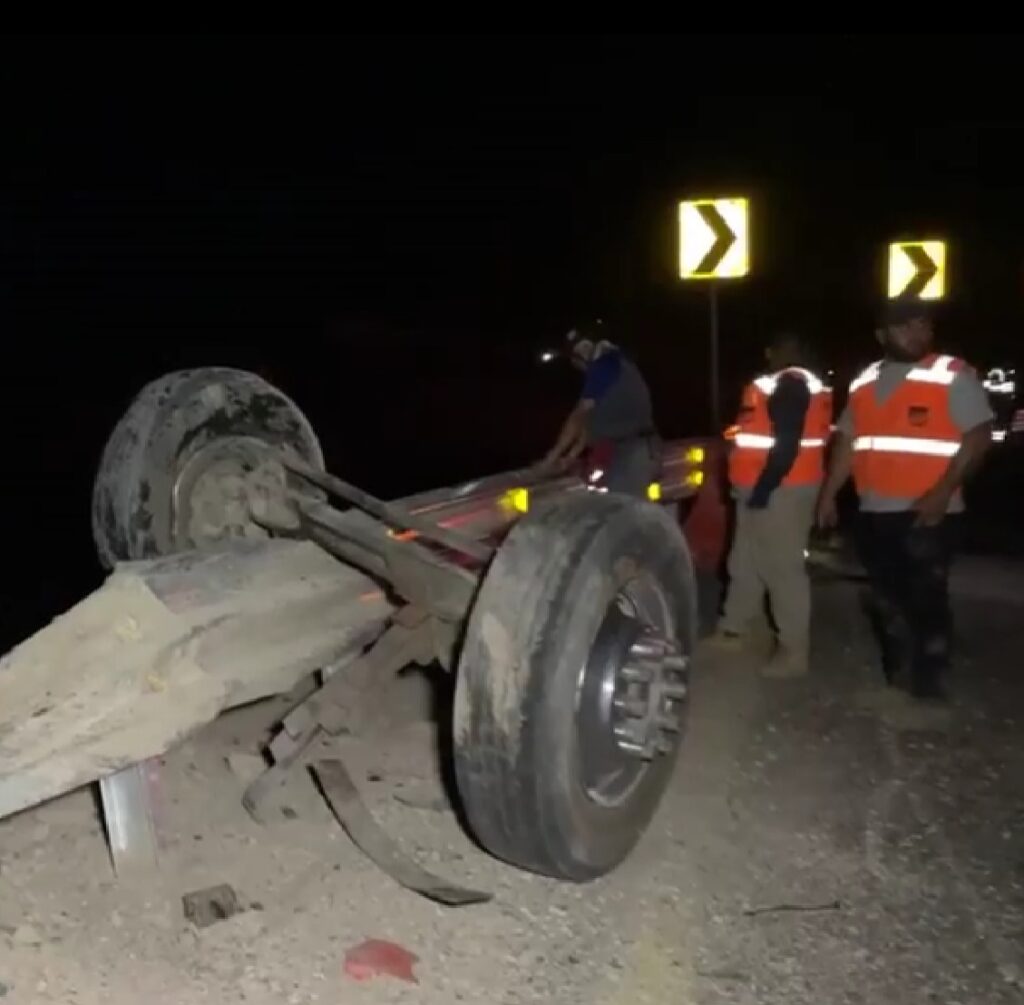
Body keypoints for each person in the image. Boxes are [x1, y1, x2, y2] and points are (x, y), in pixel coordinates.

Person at [817, 299, 993, 702]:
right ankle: (899, 672)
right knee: (885, 596)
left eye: (923, 326)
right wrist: (829, 494)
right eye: (906, 327)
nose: (918, 334)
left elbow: (978, 436)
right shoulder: (864, 382)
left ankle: (931, 681)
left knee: (926, 596)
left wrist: (942, 492)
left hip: (929, 511)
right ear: (882, 335)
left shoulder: (951, 374)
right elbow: (847, 440)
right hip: (875, 511)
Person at [710, 332, 833, 677]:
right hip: (762, 489)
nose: (768, 354)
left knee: (782, 570)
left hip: (780, 491)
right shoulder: (788, 383)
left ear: (788, 351)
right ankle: (735, 631)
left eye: (774, 348)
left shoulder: (791, 384)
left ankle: (794, 652)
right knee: (745, 561)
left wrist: (764, 488)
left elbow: (787, 443)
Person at [541, 320, 660, 498]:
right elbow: (589, 426)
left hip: (632, 453)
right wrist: (571, 456)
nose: (574, 364)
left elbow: (577, 417)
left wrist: (550, 459)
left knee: (621, 512)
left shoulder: (605, 365)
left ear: (585, 349)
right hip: (632, 450)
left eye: (575, 356)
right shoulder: (614, 363)